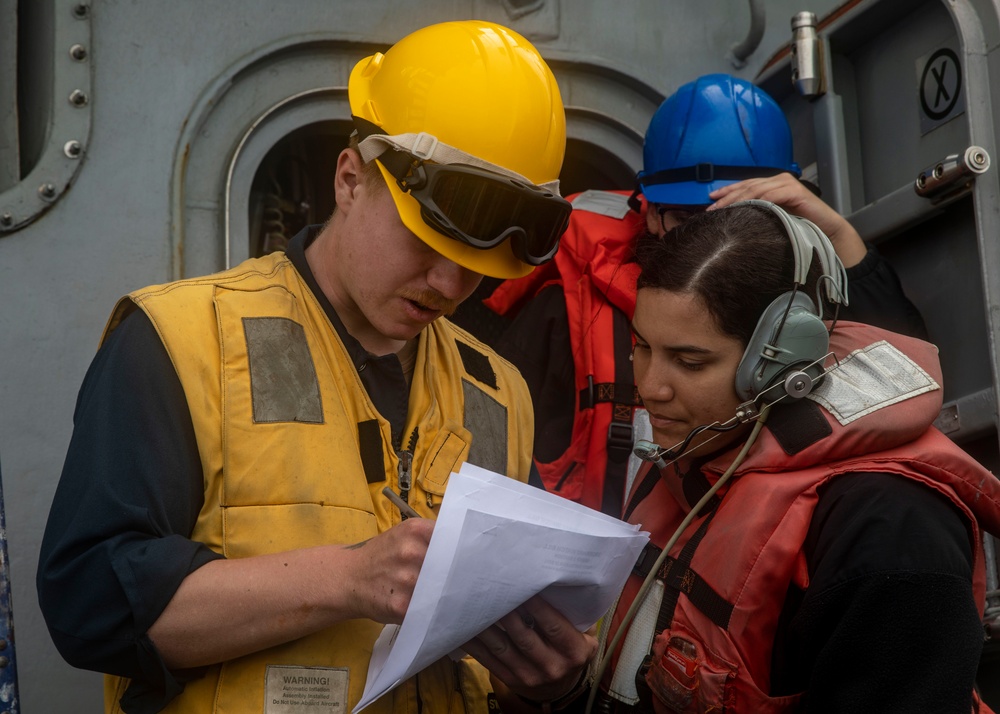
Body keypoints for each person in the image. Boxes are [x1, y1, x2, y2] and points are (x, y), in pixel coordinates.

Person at [36, 21, 594, 714]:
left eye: (476, 270)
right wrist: (351, 580)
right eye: (424, 243)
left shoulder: (501, 393)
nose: (448, 287)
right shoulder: (179, 342)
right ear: (351, 178)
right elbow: (89, 605)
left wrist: (553, 682)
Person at [579, 201, 1000, 713]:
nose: (649, 387)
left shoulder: (892, 529)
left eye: (690, 361)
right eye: (641, 346)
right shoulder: (695, 443)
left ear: (782, 362)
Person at [485, 73, 929, 517]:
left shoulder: (802, 297)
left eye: (735, 215)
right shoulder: (570, 308)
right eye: (690, 217)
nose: (715, 238)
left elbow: (902, 383)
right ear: (651, 213)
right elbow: (493, 437)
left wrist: (838, 235)